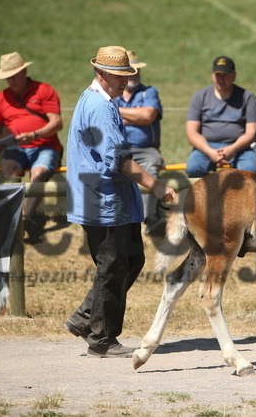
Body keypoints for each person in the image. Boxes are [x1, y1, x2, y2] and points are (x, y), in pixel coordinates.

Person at [64, 46, 177, 358]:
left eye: (128, 76)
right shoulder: (99, 107)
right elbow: (118, 160)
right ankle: (101, 338)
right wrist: (155, 186)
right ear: (101, 73)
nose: (125, 82)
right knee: (112, 266)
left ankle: (87, 317)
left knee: (129, 260)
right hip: (103, 199)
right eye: (119, 77)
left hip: (108, 198)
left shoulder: (101, 100)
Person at [0, 51, 63, 241]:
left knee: (38, 173)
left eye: (14, 76)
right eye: (7, 78)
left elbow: (57, 123)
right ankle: (20, 217)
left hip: (45, 145)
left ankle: (23, 219)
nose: (11, 81)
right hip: (15, 148)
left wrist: (34, 135)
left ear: (24, 72)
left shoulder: (43, 90)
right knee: (9, 170)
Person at [114, 50, 165, 236]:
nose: (134, 74)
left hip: (146, 149)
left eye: (137, 69)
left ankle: (150, 218)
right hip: (118, 149)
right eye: (130, 70)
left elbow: (148, 115)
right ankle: (118, 220)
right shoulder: (112, 95)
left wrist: (119, 112)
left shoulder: (149, 92)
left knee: (151, 166)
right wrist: (136, 115)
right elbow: (140, 116)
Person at [185, 56, 256, 177]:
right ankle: (202, 195)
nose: (221, 79)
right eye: (218, 75)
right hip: (206, 146)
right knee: (194, 168)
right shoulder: (199, 96)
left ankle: (243, 196)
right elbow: (191, 132)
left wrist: (233, 149)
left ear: (234, 76)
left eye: (225, 75)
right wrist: (209, 151)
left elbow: (251, 133)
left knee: (251, 169)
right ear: (212, 75)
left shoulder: (247, 97)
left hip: (239, 147)